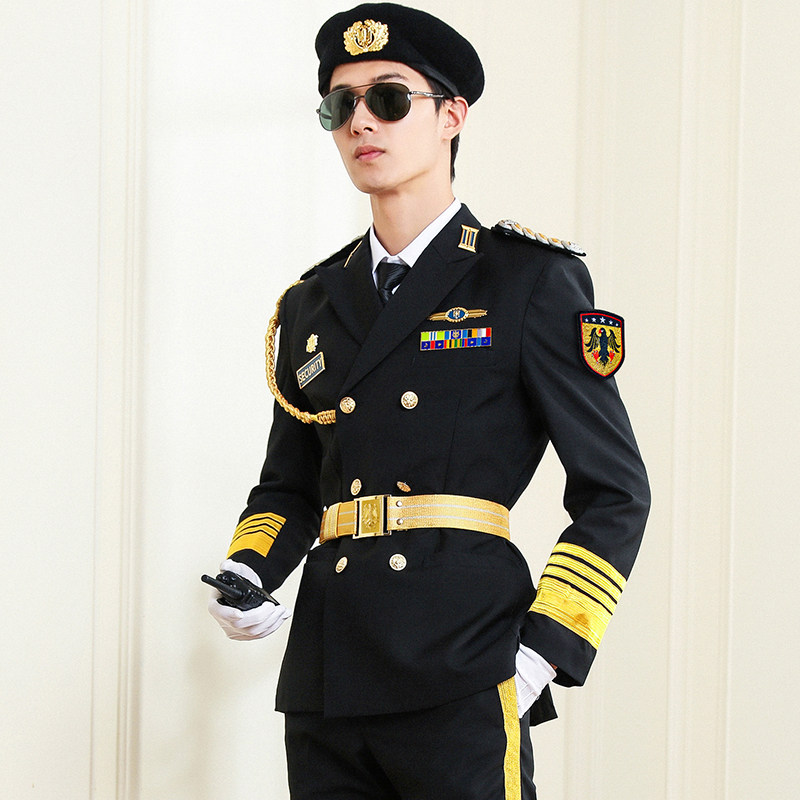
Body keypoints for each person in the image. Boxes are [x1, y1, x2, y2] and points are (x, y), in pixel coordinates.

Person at [207, 4, 650, 799]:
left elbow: (616, 491)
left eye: (388, 98)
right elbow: (290, 486)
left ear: (452, 115)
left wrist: (543, 650)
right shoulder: (312, 303)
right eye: (340, 105)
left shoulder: (527, 280)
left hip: (463, 661)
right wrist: (249, 569)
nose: (360, 122)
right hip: (329, 669)